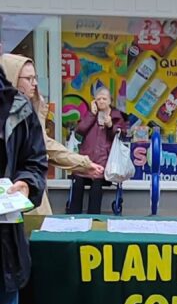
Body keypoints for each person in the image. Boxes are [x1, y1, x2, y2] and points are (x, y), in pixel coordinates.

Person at [0, 53, 104, 215]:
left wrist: (83, 164)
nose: (34, 83)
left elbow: (42, 147)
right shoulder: (12, 114)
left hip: (24, 193)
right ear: (12, 79)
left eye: (35, 78)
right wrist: (82, 164)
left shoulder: (30, 110)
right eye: (28, 78)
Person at [0, 65, 47, 304]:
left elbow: (36, 160)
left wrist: (26, 185)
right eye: (28, 77)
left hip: (4, 242)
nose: (33, 84)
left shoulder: (16, 107)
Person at [67, 87, 127, 214]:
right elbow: (80, 131)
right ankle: (73, 216)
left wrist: (111, 125)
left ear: (110, 101)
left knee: (96, 185)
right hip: (87, 161)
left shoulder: (116, 117)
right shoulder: (90, 114)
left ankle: (93, 217)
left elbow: (121, 137)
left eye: (104, 99)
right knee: (77, 181)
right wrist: (91, 115)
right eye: (98, 99)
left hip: (105, 163)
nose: (101, 101)